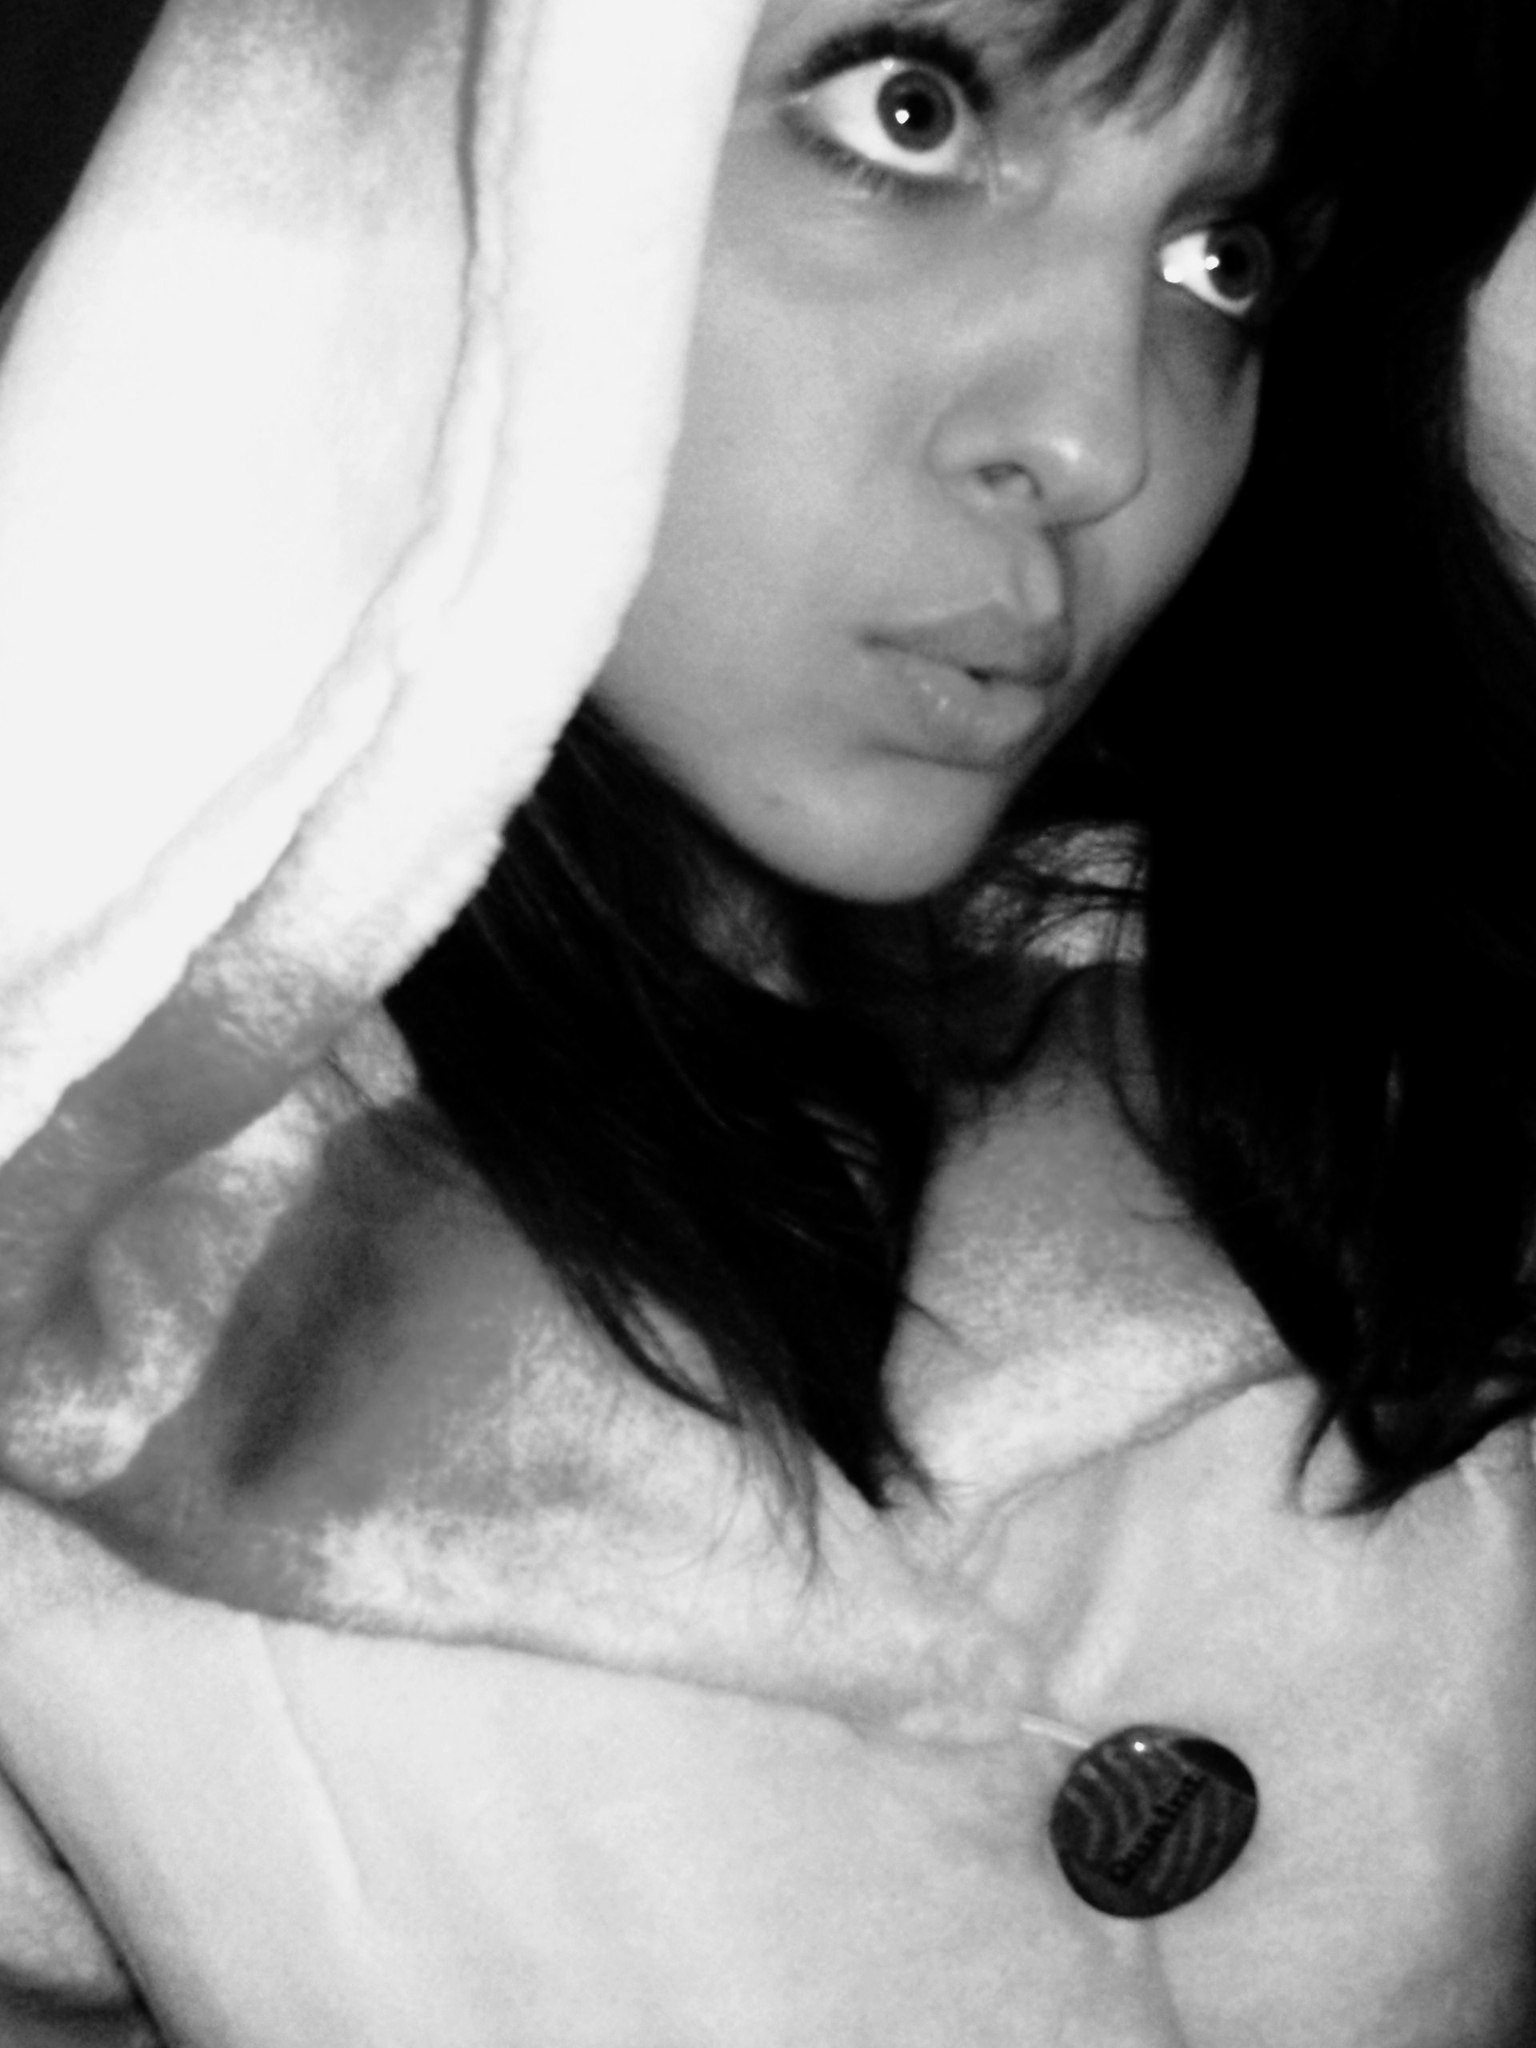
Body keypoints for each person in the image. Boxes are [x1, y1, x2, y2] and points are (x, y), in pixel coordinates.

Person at [0, 0, 1531, 2043]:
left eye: (1218, 257)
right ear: (457, 109)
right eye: (910, 114)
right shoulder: (77, 1299)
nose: (1103, 440)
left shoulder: (1371, 995)